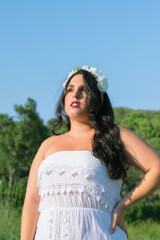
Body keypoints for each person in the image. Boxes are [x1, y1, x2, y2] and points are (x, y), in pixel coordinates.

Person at [21, 66, 160, 240]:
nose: (75, 95)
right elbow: (32, 202)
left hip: (99, 233)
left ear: (96, 97)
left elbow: (157, 167)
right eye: (70, 90)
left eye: (83, 90)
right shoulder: (48, 145)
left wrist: (123, 206)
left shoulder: (114, 135)